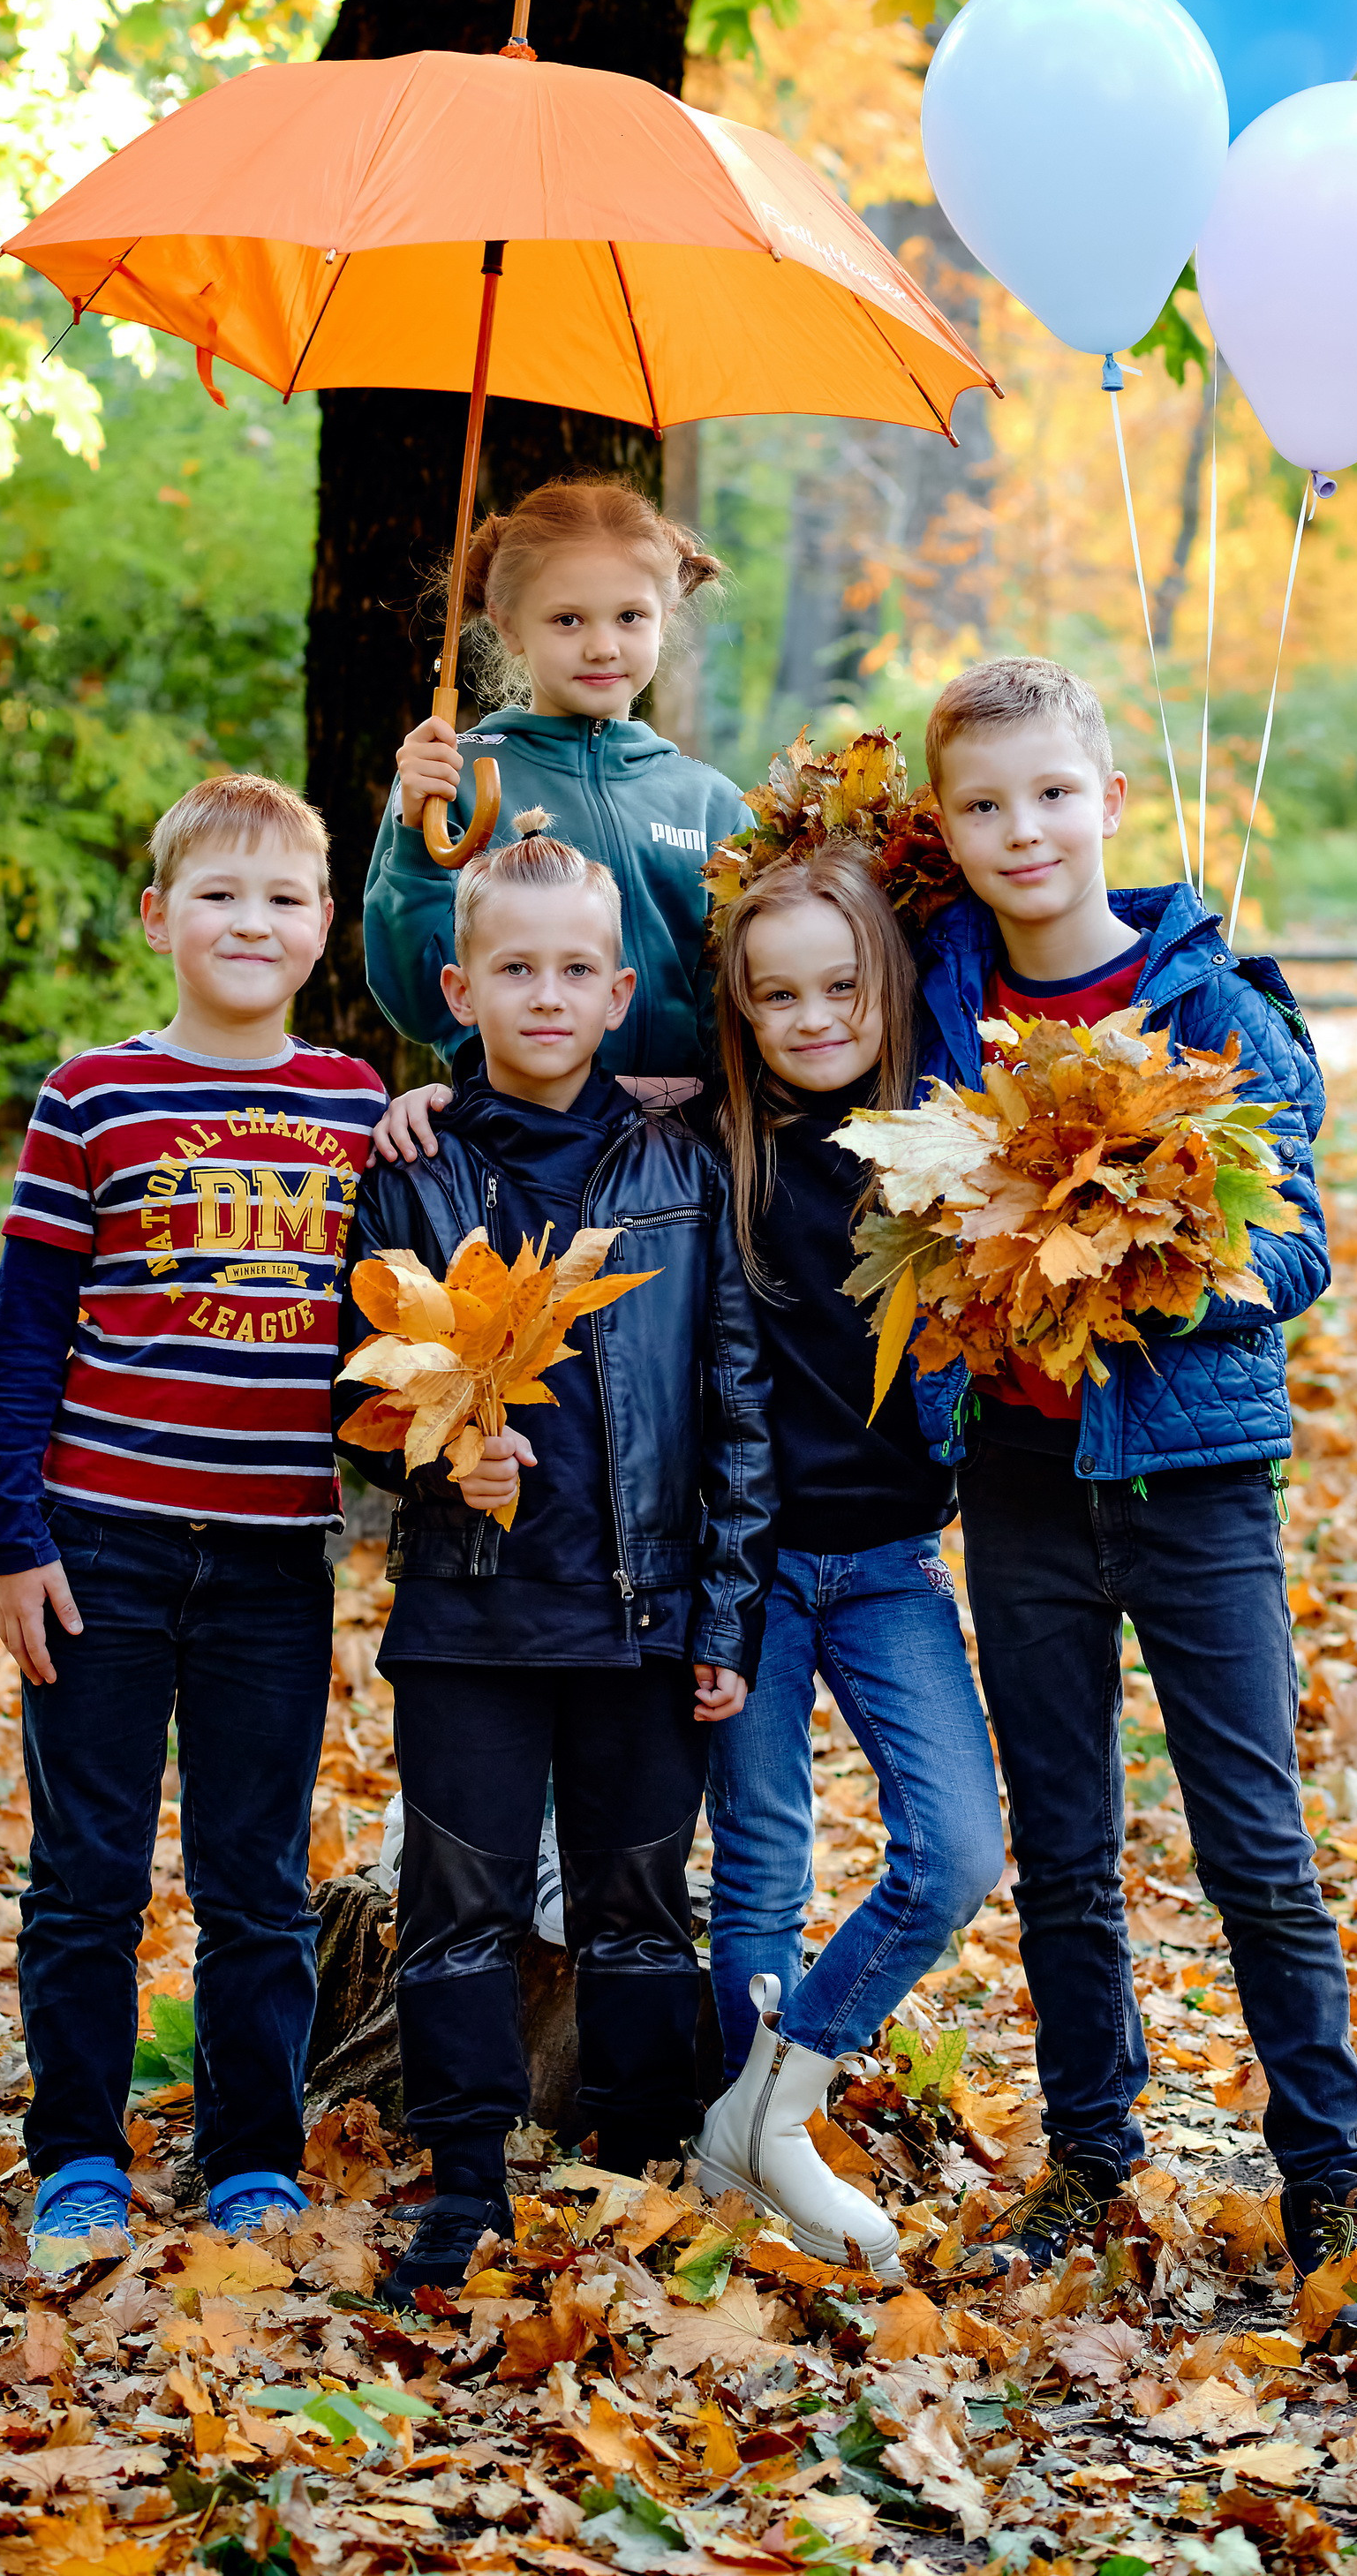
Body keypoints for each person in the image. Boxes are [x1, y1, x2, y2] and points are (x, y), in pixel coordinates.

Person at [907, 657, 1357, 2302]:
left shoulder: (1211, 1004)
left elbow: (1303, 1243)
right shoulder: (940, 995)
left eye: (1050, 793)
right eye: (982, 804)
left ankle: (1330, 2176)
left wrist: (1165, 1264)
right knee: (1063, 1837)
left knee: (1252, 1836)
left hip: (1191, 1476)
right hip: (1026, 1477)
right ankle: (1093, 2151)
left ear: (1111, 802)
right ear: (949, 831)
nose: (1021, 827)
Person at [335, 811, 775, 2300]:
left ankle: (636, 2163)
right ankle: (464, 2172)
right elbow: (358, 1386)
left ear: (617, 991)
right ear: (459, 993)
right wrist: (434, 1448)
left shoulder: (680, 1166)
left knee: (640, 1899)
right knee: (457, 1905)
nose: (543, 996)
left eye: (573, 970)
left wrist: (725, 1612)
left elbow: (735, 1400)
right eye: (511, 969)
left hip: (639, 1613)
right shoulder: (415, 1169)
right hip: (468, 1619)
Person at [0, 773, 384, 2268]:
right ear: (161, 917)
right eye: (219, 894)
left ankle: (249, 2158)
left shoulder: (353, 1108)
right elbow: (27, 1338)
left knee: (255, 1882)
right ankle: (77, 2149)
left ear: (325, 927)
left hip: (276, 1553)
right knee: (86, 1873)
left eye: (283, 897)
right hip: (103, 1545)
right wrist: (13, 1535)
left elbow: (394, 1334)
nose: (251, 921)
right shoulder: (93, 1094)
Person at [692, 847, 1004, 2280]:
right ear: (742, 1014)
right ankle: (737, 2153)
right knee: (761, 1853)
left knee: (953, 1851)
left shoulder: (944, 1155)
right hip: (748, 1571)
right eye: (778, 997)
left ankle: (772, 2103)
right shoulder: (712, 1153)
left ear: (886, 986)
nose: (814, 1017)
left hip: (888, 1561)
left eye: (840, 987)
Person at [362, 478, 749, 1087]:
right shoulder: (451, 779)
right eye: (567, 619)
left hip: (683, 1146)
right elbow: (418, 1003)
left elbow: (744, 1002)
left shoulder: (711, 803)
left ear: (666, 615)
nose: (602, 646)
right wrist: (416, 839)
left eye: (629, 616)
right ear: (509, 626)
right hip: (514, 1139)